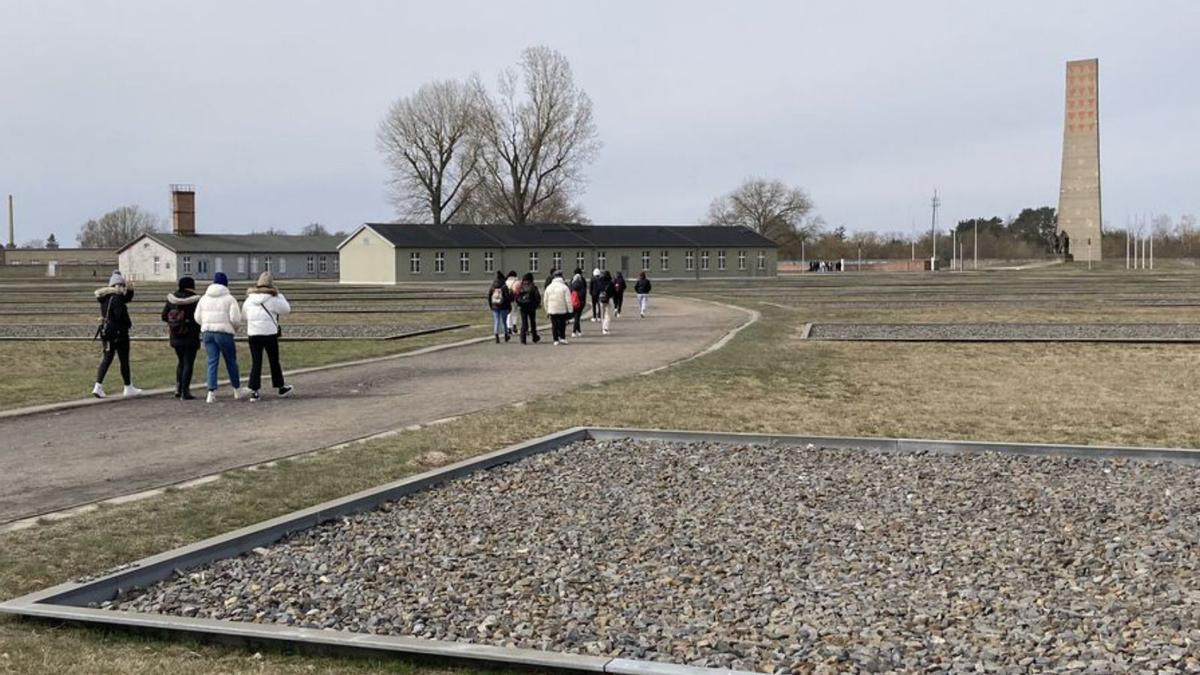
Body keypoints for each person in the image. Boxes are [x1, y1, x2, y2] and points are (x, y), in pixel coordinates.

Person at [194, 271, 245, 403]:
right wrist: (234, 328)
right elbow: (235, 319)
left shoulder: (204, 298)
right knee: (231, 361)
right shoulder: (230, 298)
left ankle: (211, 393)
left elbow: (197, 317)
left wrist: (206, 324)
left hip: (207, 332)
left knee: (212, 361)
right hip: (224, 332)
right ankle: (237, 389)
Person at [243, 271, 294, 402]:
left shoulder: (249, 299)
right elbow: (287, 309)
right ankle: (280, 387)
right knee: (274, 361)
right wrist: (280, 295)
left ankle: (254, 391)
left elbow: (244, 316)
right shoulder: (275, 299)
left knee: (256, 362)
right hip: (269, 333)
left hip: (253, 334)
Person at [92, 270, 142, 398]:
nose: (123, 288)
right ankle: (128, 387)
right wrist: (129, 324)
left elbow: (126, 299)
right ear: (117, 286)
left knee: (107, 359)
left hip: (107, 333)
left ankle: (98, 386)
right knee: (124, 360)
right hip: (120, 334)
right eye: (122, 286)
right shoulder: (117, 298)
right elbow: (121, 315)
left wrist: (130, 290)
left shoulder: (105, 298)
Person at [161, 275, 202, 400]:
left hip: (175, 335)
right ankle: (185, 391)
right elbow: (199, 318)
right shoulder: (195, 300)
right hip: (190, 335)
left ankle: (178, 389)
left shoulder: (171, 299)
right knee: (188, 363)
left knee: (181, 362)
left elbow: (164, 316)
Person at [543, 270, 572, 345]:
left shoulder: (549, 287)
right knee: (562, 324)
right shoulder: (564, 287)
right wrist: (570, 310)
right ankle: (562, 337)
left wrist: (547, 310)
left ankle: (555, 339)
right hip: (562, 309)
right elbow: (568, 300)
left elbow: (545, 300)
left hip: (552, 309)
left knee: (554, 325)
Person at [514, 272, 542, 345]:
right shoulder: (533, 287)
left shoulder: (520, 287)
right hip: (531, 307)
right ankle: (534, 337)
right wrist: (536, 305)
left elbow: (516, 297)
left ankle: (523, 339)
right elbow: (537, 297)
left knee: (524, 323)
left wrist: (519, 303)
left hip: (523, 307)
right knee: (533, 322)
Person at [487, 271, 512, 343]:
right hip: (503, 306)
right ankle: (506, 335)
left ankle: (496, 335)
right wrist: (509, 306)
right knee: (504, 321)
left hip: (495, 306)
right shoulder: (504, 286)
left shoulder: (493, 286)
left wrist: (491, 306)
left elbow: (489, 296)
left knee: (496, 321)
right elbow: (507, 298)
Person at [569, 267, 588, 337]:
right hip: (581, 301)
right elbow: (584, 291)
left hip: (573, 301)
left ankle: (579, 331)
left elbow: (570, 290)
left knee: (576, 316)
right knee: (577, 316)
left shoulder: (572, 280)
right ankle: (574, 331)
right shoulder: (582, 280)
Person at [598, 270, 615, 335]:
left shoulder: (600, 282)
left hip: (601, 299)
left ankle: (603, 328)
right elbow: (613, 292)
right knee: (607, 314)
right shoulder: (610, 283)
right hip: (608, 299)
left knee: (602, 314)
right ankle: (606, 328)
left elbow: (598, 290)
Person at [504, 270, 520, 335]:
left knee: (509, 313)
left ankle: (509, 328)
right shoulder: (517, 282)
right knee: (515, 312)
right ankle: (514, 325)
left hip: (508, 300)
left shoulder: (506, 282)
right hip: (515, 299)